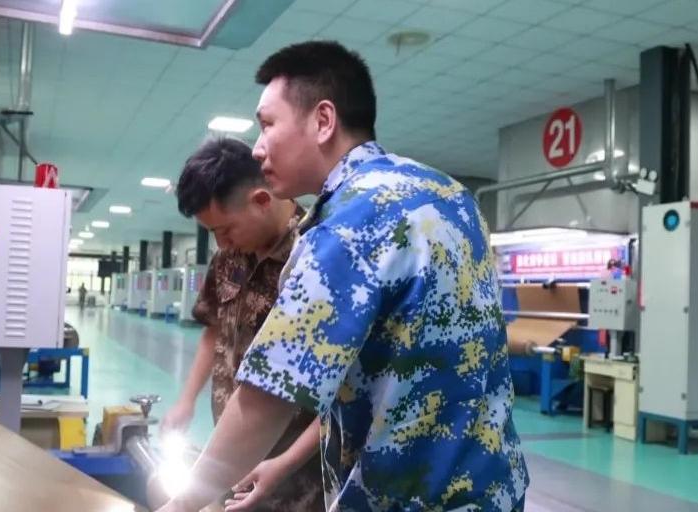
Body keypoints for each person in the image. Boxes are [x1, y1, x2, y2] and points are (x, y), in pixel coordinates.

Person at [157, 41, 528, 512]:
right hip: (494, 490)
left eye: (267, 124)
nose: (258, 147)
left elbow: (267, 399)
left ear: (323, 120)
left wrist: (181, 505)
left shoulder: (345, 226)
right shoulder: (451, 194)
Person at [160, 137, 324, 511]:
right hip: (231, 455)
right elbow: (214, 328)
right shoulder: (229, 257)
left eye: (226, 229)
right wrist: (187, 400)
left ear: (261, 200)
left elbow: (349, 390)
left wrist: (286, 463)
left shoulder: (316, 258)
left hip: (297, 475)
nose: (222, 243)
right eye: (213, 233)